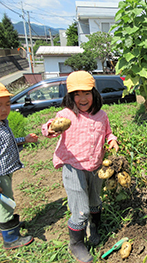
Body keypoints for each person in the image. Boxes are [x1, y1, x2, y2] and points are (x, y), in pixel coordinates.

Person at [42, 71, 119, 263]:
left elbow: (108, 132)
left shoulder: (102, 115)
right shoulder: (65, 114)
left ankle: (94, 226)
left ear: (95, 94)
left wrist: (112, 140)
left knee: (95, 200)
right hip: (72, 167)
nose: (82, 98)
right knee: (81, 209)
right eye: (77, 94)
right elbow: (49, 127)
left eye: (86, 93)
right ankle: (75, 243)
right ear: (70, 97)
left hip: (94, 166)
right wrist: (50, 128)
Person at [0, 83, 38, 249]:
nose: (4, 109)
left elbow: (7, 145)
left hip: (6, 171)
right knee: (6, 203)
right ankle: (11, 239)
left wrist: (25, 139)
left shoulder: (3, 123)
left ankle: (8, 229)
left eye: (7, 104)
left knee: (5, 202)